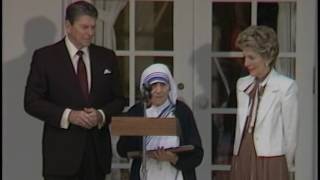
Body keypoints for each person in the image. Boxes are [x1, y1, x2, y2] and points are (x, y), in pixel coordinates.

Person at [24, 1, 125, 180]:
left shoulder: (106, 57)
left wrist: (100, 115)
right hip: (60, 157)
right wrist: (69, 115)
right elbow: (32, 102)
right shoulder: (45, 57)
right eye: (84, 27)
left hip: (97, 155)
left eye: (93, 27)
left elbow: (119, 100)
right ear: (68, 26)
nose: (90, 33)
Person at [230, 25, 298, 180]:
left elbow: (290, 133)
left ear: (267, 57)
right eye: (245, 57)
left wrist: (282, 165)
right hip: (242, 153)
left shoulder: (286, 86)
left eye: (251, 58)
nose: (246, 63)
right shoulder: (242, 84)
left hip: (271, 158)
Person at [117, 64, 203, 180]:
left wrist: (173, 158)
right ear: (146, 89)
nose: (159, 90)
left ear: (169, 87)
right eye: (153, 85)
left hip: (176, 174)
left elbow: (197, 153)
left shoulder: (182, 111)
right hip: (146, 172)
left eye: (163, 85)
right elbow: (122, 149)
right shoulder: (137, 111)